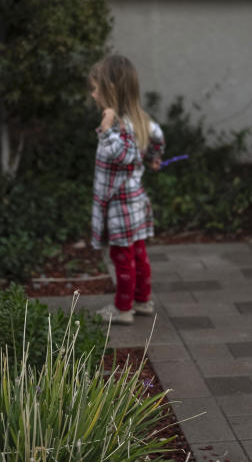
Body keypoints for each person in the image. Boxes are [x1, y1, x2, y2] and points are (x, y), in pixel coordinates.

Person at [89, 54, 165, 325]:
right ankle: (142, 300)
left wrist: (105, 130)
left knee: (122, 257)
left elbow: (122, 155)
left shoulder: (119, 126)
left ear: (110, 89)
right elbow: (156, 135)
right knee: (138, 253)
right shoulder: (139, 119)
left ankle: (123, 308)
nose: (93, 94)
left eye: (96, 88)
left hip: (121, 203)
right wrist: (154, 156)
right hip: (135, 200)